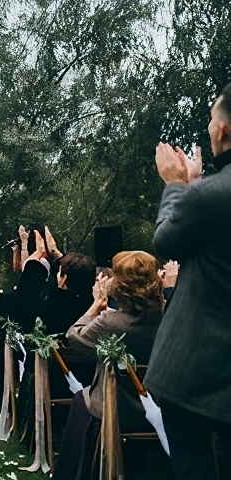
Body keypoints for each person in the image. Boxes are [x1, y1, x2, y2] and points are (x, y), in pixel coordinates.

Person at [146, 82, 231, 479]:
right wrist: (196, 190)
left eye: (213, 118)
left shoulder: (211, 197)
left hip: (204, 380)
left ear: (222, 130)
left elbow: (167, 240)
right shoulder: (211, 198)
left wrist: (176, 186)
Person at [53, 251, 164, 479]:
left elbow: (74, 338)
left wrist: (96, 305)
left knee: (81, 401)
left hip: (118, 410)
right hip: (163, 408)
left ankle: (73, 472)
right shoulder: (168, 321)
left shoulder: (110, 323)